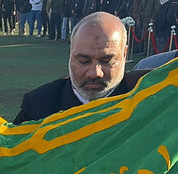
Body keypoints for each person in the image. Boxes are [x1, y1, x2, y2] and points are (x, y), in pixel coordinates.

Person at [14, 12, 148, 124]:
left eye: (107, 61)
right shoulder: (38, 106)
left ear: (124, 54)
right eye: (83, 61)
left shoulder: (150, 98)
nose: (94, 73)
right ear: (71, 53)